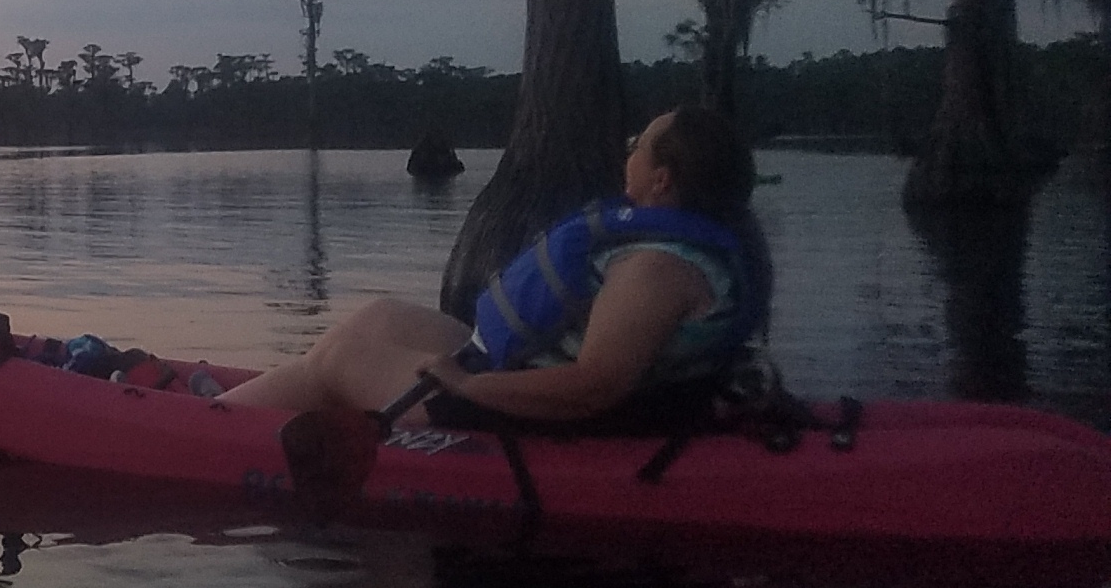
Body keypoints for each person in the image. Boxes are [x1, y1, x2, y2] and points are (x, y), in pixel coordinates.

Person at [219, 105, 772, 426]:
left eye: (639, 144)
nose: (628, 151)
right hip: (519, 375)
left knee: (341, 359)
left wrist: (466, 387)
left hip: (527, 412)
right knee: (380, 318)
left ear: (662, 178)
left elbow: (595, 387)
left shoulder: (657, 269)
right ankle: (229, 411)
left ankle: (209, 429)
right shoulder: (674, 250)